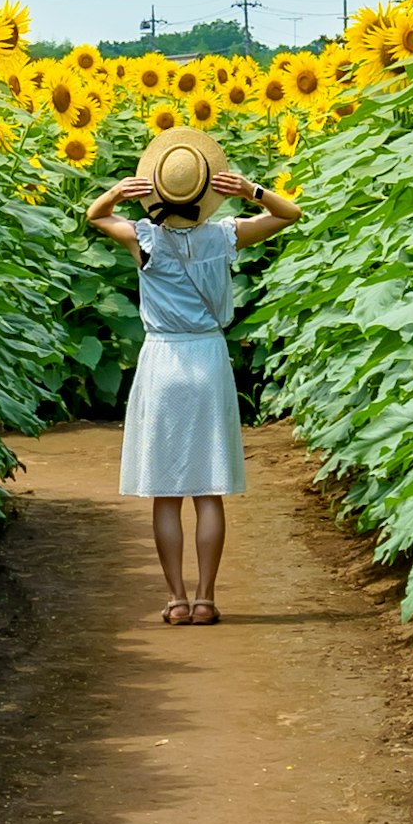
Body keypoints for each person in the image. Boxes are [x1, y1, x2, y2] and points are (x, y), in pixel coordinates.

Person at [87, 123, 294, 624]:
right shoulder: (226, 236)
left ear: (155, 189)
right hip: (206, 358)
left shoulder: (142, 238)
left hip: (162, 362)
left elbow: (94, 216)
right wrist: (252, 190)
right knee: (208, 490)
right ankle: (207, 598)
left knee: (165, 490)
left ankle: (175, 599)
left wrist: (117, 191)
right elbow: (289, 214)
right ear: (208, 190)